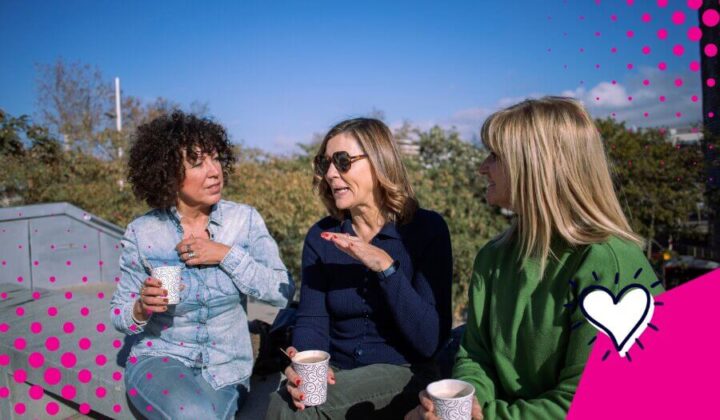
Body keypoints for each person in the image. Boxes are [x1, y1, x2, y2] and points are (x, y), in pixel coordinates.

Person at [406, 97, 664, 420]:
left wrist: (487, 416)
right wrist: (466, 401)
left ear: (538, 165)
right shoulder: (492, 258)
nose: (482, 167)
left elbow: (593, 403)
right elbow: (474, 354)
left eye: (495, 155)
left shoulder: (610, 263)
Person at [110, 111, 294, 420]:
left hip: (226, 370)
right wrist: (142, 307)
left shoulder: (244, 221)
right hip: (160, 359)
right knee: (194, 414)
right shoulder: (143, 233)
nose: (214, 171)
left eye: (216, 158)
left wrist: (225, 254)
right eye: (197, 163)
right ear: (168, 172)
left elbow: (281, 292)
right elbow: (119, 315)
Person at [265, 118, 453, 419]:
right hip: (339, 371)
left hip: (404, 372)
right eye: (324, 163)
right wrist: (307, 365)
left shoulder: (426, 230)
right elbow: (312, 319)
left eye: (343, 161)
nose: (330, 174)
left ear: (380, 163)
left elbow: (429, 341)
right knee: (286, 401)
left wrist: (385, 268)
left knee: (302, 413)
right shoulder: (321, 237)